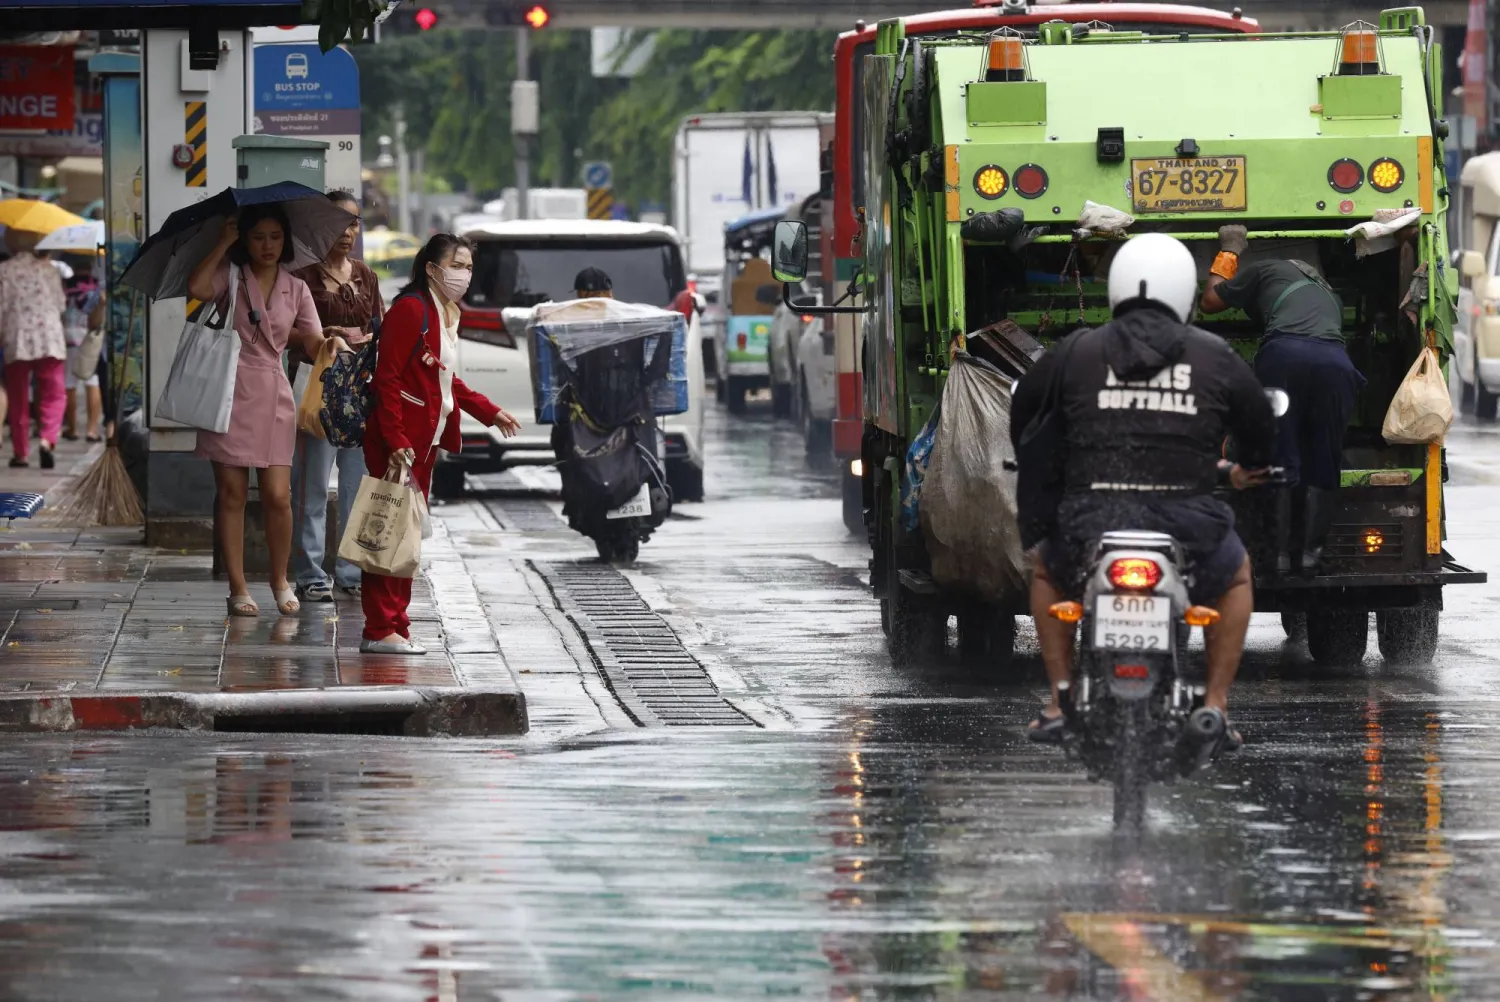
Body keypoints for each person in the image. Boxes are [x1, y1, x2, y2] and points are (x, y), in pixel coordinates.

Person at [1011, 233, 1276, 745]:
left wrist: (1039, 462)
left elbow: (1025, 411)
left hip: (1091, 518)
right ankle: (1216, 706)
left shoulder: (1077, 350)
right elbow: (1260, 422)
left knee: (1047, 571)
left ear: (1116, 288)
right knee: (1236, 577)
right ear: (1185, 293)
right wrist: (1251, 467)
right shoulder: (1214, 354)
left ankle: (1059, 700)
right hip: (1188, 521)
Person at [187, 204, 350, 618]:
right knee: (232, 495)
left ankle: (280, 580)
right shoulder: (231, 276)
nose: (267, 245)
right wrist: (223, 242)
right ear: (245, 239)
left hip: (275, 392)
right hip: (228, 391)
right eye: (258, 237)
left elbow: (312, 339)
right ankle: (238, 587)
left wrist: (329, 343)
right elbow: (198, 288)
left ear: (285, 240)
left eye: (275, 237)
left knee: (279, 496)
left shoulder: (296, 287)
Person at [361, 233, 522, 654]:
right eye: (456, 266)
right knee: (387, 532)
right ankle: (380, 628)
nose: (464, 275)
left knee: (406, 536)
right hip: (400, 443)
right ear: (432, 269)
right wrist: (395, 438)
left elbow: (445, 379)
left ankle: (396, 625)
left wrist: (489, 411)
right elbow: (387, 379)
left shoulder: (444, 311)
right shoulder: (412, 310)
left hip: (423, 442)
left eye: (468, 267)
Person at [1199, 225, 1363, 576]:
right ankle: (1310, 556)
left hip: (1285, 357)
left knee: (1280, 453)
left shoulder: (1265, 268)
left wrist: (1229, 250)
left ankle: (1278, 557)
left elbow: (1210, 302)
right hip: (1337, 364)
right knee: (1324, 456)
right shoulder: (1328, 294)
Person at [289, 191, 384, 604]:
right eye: (339, 222)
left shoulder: (365, 275)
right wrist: (320, 336)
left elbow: (379, 326)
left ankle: (350, 571)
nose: (348, 231)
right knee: (311, 485)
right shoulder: (302, 277)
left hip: (360, 390)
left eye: (354, 222)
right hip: (319, 387)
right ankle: (310, 572)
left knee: (355, 486)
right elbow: (283, 332)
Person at [0, 230, 67, 468]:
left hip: (16, 338)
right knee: (54, 394)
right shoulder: (50, 270)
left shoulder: (4, 270)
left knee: (18, 397)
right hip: (49, 339)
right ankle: (47, 439)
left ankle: (21, 453)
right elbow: (61, 305)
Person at [61, 268, 105, 443]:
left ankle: (72, 428)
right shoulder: (95, 286)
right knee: (92, 382)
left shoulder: (65, 286)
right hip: (88, 337)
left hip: (67, 336)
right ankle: (91, 430)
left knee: (69, 384)